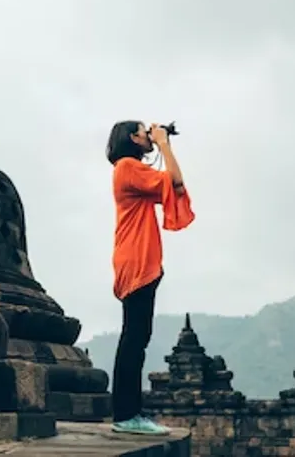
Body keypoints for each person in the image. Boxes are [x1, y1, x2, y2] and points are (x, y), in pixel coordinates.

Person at [105, 120, 195, 436]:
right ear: (132, 138)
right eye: (144, 131)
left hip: (141, 257)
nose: (149, 136)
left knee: (137, 336)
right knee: (134, 337)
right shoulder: (128, 166)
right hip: (136, 258)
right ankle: (127, 414)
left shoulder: (133, 171)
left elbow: (176, 188)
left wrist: (160, 143)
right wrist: (165, 145)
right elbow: (176, 178)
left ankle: (128, 413)